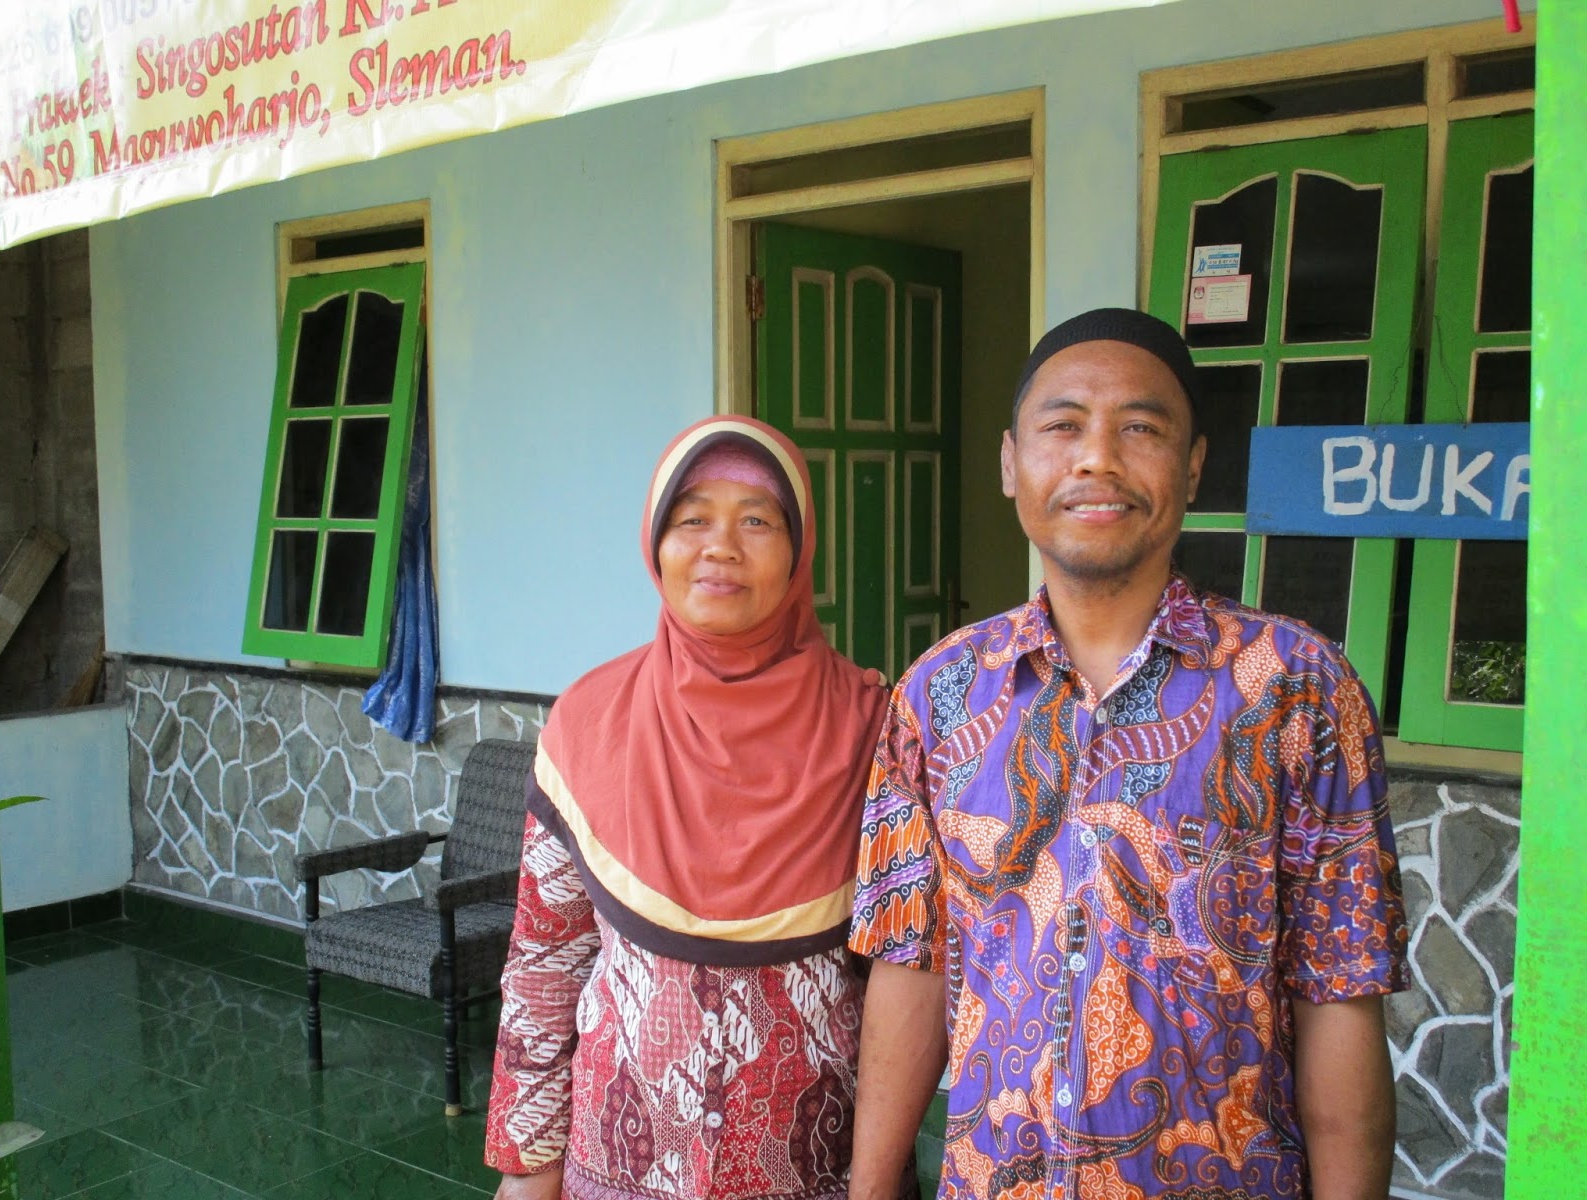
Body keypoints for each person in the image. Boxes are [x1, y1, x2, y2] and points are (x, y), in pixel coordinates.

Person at [846, 308, 1409, 1199]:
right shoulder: (937, 694)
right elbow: (909, 968)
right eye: (1062, 426)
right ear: (1009, 462)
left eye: (1140, 428)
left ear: (1191, 465)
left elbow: (1340, 994)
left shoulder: (1297, 688)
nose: (1096, 458)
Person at [486, 416, 890, 1200]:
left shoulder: (876, 729)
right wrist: (528, 1171)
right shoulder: (588, 723)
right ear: (655, 544)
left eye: (757, 521)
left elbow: (909, 981)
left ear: (800, 551)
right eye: (692, 518)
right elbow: (544, 962)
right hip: (618, 1165)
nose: (721, 546)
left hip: (819, 1172)